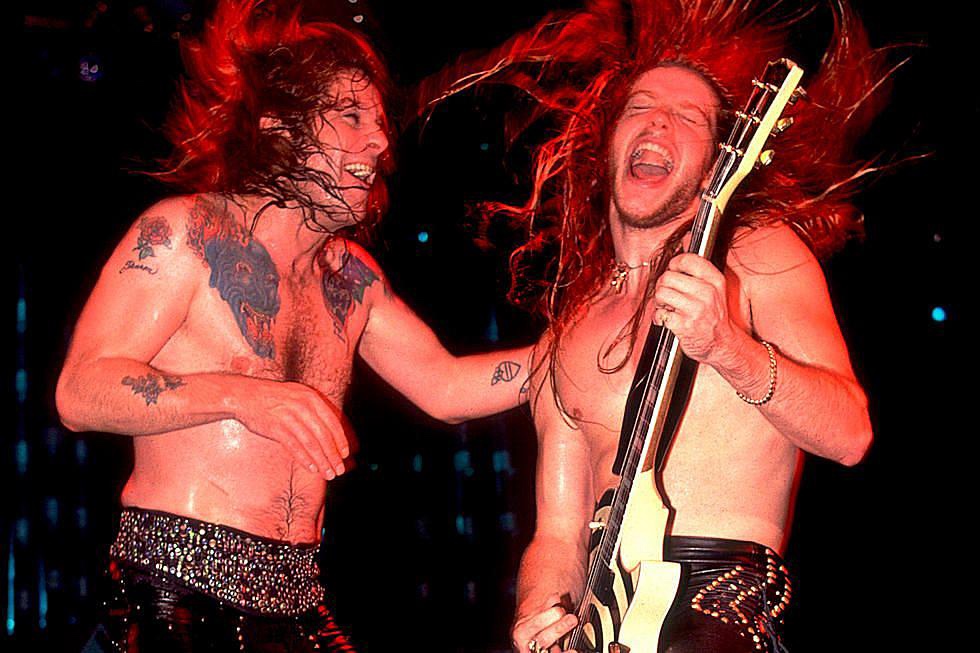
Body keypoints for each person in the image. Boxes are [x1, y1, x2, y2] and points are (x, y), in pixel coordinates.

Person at [56, 2, 529, 651]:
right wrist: (245, 396)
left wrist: (581, 352)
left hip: (298, 602)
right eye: (352, 117)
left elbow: (446, 386)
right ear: (279, 126)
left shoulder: (349, 277)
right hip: (174, 600)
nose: (380, 142)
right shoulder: (185, 233)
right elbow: (80, 391)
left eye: (380, 122)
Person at [420, 1, 890, 651]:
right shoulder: (570, 331)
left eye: (689, 117)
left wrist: (728, 348)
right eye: (639, 108)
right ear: (607, 143)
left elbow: (849, 433)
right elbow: (558, 534)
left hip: (716, 610)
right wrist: (537, 612)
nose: (659, 122)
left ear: (719, 160)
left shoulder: (757, 253)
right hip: (604, 625)